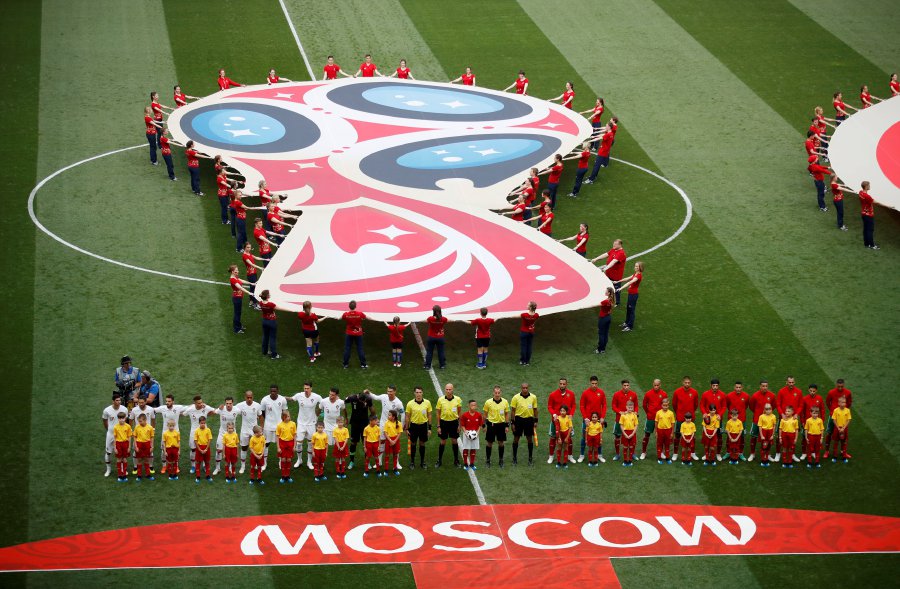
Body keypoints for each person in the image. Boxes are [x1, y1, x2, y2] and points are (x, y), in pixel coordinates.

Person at [370, 386, 405, 469]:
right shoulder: (384, 397)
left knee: (394, 443)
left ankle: (397, 463)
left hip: (393, 426)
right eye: (388, 391)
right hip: (383, 424)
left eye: (391, 391)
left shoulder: (398, 403)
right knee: (381, 442)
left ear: (395, 392)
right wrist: (369, 393)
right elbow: (375, 397)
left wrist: (402, 426)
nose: (389, 393)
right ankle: (379, 461)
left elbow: (403, 414)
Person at [290, 382, 323, 469]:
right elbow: (291, 399)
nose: (306, 390)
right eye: (305, 388)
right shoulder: (299, 395)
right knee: (299, 443)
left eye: (308, 388)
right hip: (301, 423)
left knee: (310, 443)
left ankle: (309, 461)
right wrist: (281, 397)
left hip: (311, 424)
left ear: (311, 388)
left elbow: (323, 403)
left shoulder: (316, 397)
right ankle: (299, 460)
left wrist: (318, 413)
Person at [546, 378, 577, 464]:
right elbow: (549, 406)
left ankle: (570, 456)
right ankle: (551, 456)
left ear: (566, 384)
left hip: (567, 422)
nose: (562, 385)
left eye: (564, 384)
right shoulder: (553, 394)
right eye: (561, 383)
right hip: (555, 422)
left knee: (569, 439)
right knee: (553, 438)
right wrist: (554, 414)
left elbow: (574, 405)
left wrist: (571, 414)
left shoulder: (571, 394)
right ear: (558, 384)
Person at [578, 377, 607, 463]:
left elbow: (604, 405)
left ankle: (599, 455)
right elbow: (582, 406)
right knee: (584, 437)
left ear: (598, 383)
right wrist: (585, 418)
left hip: (598, 420)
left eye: (596, 384)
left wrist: (602, 417)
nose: (594, 385)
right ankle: (582, 455)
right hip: (587, 420)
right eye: (592, 383)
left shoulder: (601, 393)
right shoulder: (585, 393)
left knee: (598, 438)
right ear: (590, 383)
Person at [259, 385, 288, 470]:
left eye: (274, 391)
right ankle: (264, 463)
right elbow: (262, 413)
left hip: (279, 426)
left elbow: (284, 412)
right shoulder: (264, 400)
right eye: (271, 391)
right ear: (269, 391)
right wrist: (263, 425)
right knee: (266, 444)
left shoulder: (282, 399)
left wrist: (284, 424)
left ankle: (280, 461)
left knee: (281, 445)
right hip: (268, 426)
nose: (273, 393)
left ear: (278, 391)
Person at [344, 389, 375, 469]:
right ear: (359, 399)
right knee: (353, 442)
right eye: (363, 402)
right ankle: (351, 462)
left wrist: (372, 418)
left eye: (365, 402)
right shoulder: (352, 398)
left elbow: (372, 411)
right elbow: (342, 402)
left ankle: (367, 462)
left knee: (366, 443)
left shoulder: (368, 399)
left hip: (364, 424)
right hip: (355, 424)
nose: (364, 403)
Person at [775, 376, 803, 462]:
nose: (791, 384)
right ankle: (778, 453)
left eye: (792, 382)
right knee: (779, 436)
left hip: (793, 420)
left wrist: (797, 414)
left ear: (794, 382)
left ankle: (792, 454)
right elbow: (778, 404)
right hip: (783, 418)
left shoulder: (799, 392)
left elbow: (801, 405)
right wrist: (782, 414)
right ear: (786, 382)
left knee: (793, 437)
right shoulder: (781, 391)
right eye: (789, 382)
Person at [591, 239, 627, 305]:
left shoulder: (621, 253)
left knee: (616, 289)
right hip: (609, 274)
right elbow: (606, 254)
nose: (614, 245)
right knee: (608, 287)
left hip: (616, 276)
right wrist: (596, 259)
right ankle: (609, 298)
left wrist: (605, 268)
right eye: (613, 243)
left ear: (620, 245)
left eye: (615, 244)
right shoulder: (614, 249)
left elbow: (613, 262)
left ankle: (617, 302)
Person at [435, 383, 463, 467]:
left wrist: (459, 425)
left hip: (454, 422)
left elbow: (459, 412)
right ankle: (439, 460)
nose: (448, 391)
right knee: (443, 441)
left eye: (450, 389)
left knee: (454, 441)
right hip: (444, 423)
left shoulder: (458, 399)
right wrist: (438, 426)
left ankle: (456, 460)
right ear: (445, 390)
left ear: (452, 389)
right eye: (447, 389)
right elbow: (438, 414)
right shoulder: (440, 400)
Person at [510, 383, 538, 466]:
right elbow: (513, 411)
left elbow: (535, 409)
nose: (525, 389)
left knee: (529, 439)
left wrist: (536, 420)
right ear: (521, 388)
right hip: (518, 420)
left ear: (528, 388)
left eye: (526, 388)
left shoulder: (533, 397)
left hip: (529, 420)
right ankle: (514, 458)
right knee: (516, 439)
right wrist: (512, 423)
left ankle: (530, 458)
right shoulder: (515, 397)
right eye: (523, 388)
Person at [403, 386, 432, 469]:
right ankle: (412, 462)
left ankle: (422, 462)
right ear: (414, 393)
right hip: (414, 426)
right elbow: (407, 417)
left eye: (420, 392)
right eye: (417, 392)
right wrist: (407, 429)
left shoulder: (427, 403)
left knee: (422, 443)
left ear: (422, 393)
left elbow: (429, 415)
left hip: (423, 426)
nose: (418, 394)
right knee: (413, 443)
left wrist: (429, 428)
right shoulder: (410, 404)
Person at [672, 376, 699, 459]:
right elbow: (674, 404)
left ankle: (692, 453)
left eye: (688, 383)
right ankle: (675, 453)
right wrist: (679, 412)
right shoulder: (677, 392)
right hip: (680, 418)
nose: (687, 384)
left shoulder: (694, 392)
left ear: (690, 383)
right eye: (685, 382)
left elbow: (696, 405)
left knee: (692, 435)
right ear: (682, 382)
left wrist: (690, 413)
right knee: (677, 435)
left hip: (691, 418)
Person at [482, 386, 510, 468]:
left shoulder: (505, 402)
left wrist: (507, 425)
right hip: (491, 425)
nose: (497, 394)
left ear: (501, 393)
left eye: (499, 393)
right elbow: (485, 414)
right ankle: (488, 460)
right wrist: (484, 425)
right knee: (489, 443)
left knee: (501, 443)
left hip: (501, 425)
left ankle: (501, 460)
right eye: (495, 393)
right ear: (493, 393)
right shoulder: (488, 402)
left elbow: (507, 414)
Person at [234, 390, 261, 475]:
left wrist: (261, 428)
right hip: (244, 430)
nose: (249, 399)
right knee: (244, 448)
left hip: (255, 430)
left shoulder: (257, 405)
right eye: (247, 397)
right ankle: (243, 466)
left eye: (251, 397)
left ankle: (256, 464)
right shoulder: (240, 405)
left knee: (256, 447)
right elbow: (231, 410)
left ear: (253, 397)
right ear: (245, 397)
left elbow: (261, 416)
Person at [700, 379, 728, 460]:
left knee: (719, 436)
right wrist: (704, 413)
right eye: (713, 385)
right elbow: (702, 405)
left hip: (718, 420)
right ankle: (706, 454)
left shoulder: (722, 394)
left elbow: (724, 406)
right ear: (711, 385)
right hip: (707, 420)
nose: (715, 387)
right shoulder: (705, 394)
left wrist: (720, 414)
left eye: (716, 386)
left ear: (718, 386)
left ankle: (718, 453)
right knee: (706, 437)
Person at [825, 379, 853, 459]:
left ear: (844, 385)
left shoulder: (848, 392)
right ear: (836, 385)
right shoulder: (831, 392)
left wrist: (844, 412)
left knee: (843, 434)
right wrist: (832, 410)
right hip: (833, 416)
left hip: (843, 417)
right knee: (829, 433)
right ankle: (827, 451)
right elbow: (827, 402)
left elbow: (849, 402)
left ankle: (843, 452)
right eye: (838, 386)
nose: (840, 388)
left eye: (842, 386)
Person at [640, 379, 667, 460]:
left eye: (657, 385)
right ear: (653, 384)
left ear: (660, 385)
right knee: (646, 434)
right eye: (655, 385)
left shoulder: (664, 394)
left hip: (661, 419)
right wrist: (648, 413)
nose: (656, 387)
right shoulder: (648, 393)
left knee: (661, 436)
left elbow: (665, 405)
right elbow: (644, 404)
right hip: (651, 418)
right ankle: (643, 452)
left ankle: (661, 452)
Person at [611, 381, 639, 461]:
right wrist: (620, 412)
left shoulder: (633, 394)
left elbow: (636, 405)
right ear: (622, 386)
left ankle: (632, 453)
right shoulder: (617, 394)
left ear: (629, 386)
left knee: (632, 437)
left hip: (631, 421)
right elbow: (613, 406)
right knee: (617, 436)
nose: (626, 387)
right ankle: (617, 454)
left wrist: (636, 412)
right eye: (624, 385)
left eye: (627, 385)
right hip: (619, 420)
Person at [585, 118, 618, 184]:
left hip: (602, 152)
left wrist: (589, 141)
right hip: (604, 151)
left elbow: (601, 137)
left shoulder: (608, 134)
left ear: (609, 127)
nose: (605, 126)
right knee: (597, 165)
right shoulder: (610, 133)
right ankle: (594, 176)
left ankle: (591, 179)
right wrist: (594, 136)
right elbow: (602, 135)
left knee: (596, 165)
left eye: (606, 126)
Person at [213, 396, 239, 476]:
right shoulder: (221, 409)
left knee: (231, 451)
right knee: (218, 450)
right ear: (225, 403)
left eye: (230, 403)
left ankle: (230, 467)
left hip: (232, 434)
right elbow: (214, 412)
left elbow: (245, 412)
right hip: (222, 433)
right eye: (227, 403)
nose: (228, 405)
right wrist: (218, 408)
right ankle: (217, 468)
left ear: (232, 403)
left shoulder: (237, 410)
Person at [799, 384, 826, 461]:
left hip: (816, 423)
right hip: (807, 423)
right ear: (808, 390)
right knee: (805, 438)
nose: (812, 392)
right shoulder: (805, 399)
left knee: (815, 438)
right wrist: (802, 421)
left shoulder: (819, 398)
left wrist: (822, 420)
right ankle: (804, 453)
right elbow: (802, 412)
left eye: (814, 391)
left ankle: (813, 452)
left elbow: (822, 410)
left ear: (816, 391)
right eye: (811, 391)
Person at [129, 396, 155, 474]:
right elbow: (130, 420)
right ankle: (135, 467)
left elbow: (153, 419)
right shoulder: (134, 410)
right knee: (136, 451)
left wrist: (153, 429)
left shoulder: (150, 409)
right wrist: (130, 430)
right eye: (139, 402)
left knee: (150, 451)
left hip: (147, 433)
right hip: (138, 434)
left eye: (142, 402)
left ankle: (150, 466)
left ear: (145, 402)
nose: (140, 404)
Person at [102, 394, 127, 477]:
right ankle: (108, 469)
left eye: (119, 400)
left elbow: (125, 421)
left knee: (122, 454)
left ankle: (123, 470)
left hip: (121, 436)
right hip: (111, 434)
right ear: (113, 401)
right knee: (108, 452)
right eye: (117, 400)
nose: (119, 402)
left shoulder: (124, 409)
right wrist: (109, 430)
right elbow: (105, 421)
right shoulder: (107, 410)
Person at [726, 381, 750, 460]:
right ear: (734, 387)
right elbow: (728, 406)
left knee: (742, 437)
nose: (738, 389)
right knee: (728, 437)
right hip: (731, 420)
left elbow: (746, 406)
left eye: (740, 387)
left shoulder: (746, 396)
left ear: (742, 388)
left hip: (742, 420)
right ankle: (728, 452)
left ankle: (740, 453)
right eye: (737, 387)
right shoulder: (729, 396)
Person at [617, 262, 644, 332]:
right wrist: (618, 281)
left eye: (637, 267)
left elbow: (629, 282)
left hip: (633, 295)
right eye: (635, 266)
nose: (635, 267)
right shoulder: (635, 274)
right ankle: (626, 322)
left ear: (640, 268)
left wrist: (620, 288)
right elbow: (627, 279)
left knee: (631, 310)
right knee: (628, 309)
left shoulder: (638, 276)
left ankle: (630, 326)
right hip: (631, 294)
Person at [342, 300, 368, 369]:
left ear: (349, 306)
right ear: (355, 306)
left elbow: (340, 317)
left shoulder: (346, 314)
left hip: (349, 333)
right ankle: (363, 365)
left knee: (347, 349)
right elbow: (367, 317)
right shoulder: (360, 314)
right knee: (360, 349)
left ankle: (345, 364)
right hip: (358, 333)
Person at [229, 264, 254, 334]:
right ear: (232, 272)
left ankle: (239, 326)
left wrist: (251, 283)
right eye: (236, 271)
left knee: (238, 313)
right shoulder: (232, 279)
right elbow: (240, 287)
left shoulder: (235, 277)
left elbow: (241, 280)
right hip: (237, 298)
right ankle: (236, 329)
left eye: (237, 270)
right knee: (237, 314)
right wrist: (249, 293)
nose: (238, 271)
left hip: (238, 297)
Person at [257, 290, 280, 359]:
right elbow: (280, 308)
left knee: (265, 336)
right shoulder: (271, 304)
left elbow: (260, 296)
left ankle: (264, 351)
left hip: (264, 321)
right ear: (267, 296)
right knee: (272, 338)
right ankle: (274, 355)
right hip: (272, 322)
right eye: (269, 294)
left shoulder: (261, 303)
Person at [424, 305, 448, 370]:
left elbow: (425, 320)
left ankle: (427, 365)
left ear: (433, 311)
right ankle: (442, 365)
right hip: (440, 338)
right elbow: (448, 320)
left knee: (429, 351)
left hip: (431, 337)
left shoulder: (430, 319)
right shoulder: (443, 319)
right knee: (441, 351)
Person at [275, 410, 296, 483]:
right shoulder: (279, 425)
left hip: (290, 443)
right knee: (283, 459)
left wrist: (294, 446)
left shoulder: (293, 424)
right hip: (282, 443)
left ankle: (288, 475)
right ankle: (283, 476)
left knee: (289, 460)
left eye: (289, 416)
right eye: (287, 416)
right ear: (283, 417)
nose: (289, 417)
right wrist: (278, 447)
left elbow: (294, 435)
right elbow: (277, 437)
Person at [133, 413, 155, 481]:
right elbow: (134, 437)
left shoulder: (150, 427)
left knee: (146, 459)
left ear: (145, 420)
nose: (139, 422)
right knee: (139, 460)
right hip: (139, 444)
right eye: (139, 421)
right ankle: (139, 475)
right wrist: (135, 446)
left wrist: (152, 446)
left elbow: (152, 437)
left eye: (141, 421)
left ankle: (148, 474)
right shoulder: (137, 427)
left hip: (147, 444)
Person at [858, 181, 879, 249]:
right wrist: (888, 206)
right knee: (870, 230)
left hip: (864, 214)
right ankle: (872, 245)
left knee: (865, 229)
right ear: (866, 187)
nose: (869, 186)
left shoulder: (860, 193)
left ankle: (866, 244)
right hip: (869, 215)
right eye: (869, 185)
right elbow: (876, 202)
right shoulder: (867, 196)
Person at [113, 412, 133, 482]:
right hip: (118, 444)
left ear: (125, 418)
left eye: (123, 418)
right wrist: (115, 447)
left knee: (124, 459)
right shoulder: (115, 427)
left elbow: (129, 437)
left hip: (125, 444)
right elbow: (115, 438)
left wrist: (129, 447)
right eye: (120, 418)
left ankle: (124, 474)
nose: (121, 420)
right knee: (119, 459)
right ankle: (119, 475)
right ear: (118, 419)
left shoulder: (128, 426)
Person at [830, 396, 851, 462]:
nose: (844, 404)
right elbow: (834, 419)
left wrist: (844, 428)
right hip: (837, 429)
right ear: (839, 403)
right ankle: (835, 456)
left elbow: (848, 420)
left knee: (844, 443)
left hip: (844, 429)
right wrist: (838, 428)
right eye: (842, 402)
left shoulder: (847, 410)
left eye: (845, 402)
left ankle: (844, 456)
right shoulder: (836, 410)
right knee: (836, 442)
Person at [595, 286, 615, 354]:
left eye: (606, 291)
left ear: (609, 293)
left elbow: (596, 304)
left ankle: (599, 349)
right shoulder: (611, 300)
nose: (605, 292)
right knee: (606, 333)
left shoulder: (605, 301)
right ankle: (603, 349)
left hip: (603, 318)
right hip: (608, 318)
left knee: (601, 334)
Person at [655, 398, 675, 464]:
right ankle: (659, 458)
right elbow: (656, 423)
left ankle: (667, 458)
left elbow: (672, 423)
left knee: (667, 444)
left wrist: (672, 432)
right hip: (660, 430)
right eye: (664, 405)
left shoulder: (671, 413)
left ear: (668, 406)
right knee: (659, 444)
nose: (665, 407)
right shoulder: (658, 413)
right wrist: (656, 432)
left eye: (666, 405)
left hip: (668, 431)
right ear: (661, 405)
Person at [194, 416, 214, 483]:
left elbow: (209, 439)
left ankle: (208, 475)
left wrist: (206, 449)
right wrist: (199, 449)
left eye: (204, 423)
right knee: (198, 462)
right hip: (199, 448)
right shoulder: (196, 431)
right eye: (201, 423)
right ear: (199, 423)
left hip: (206, 448)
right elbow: (196, 441)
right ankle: (198, 476)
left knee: (207, 462)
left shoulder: (208, 430)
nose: (203, 424)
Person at [383, 410, 402, 476]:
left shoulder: (399, 423)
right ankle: (386, 469)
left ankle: (395, 469)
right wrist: (391, 441)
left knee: (395, 455)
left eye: (389, 415)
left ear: (393, 417)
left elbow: (400, 433)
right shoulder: (386, 423)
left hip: (396, 441)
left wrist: (395, 441)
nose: (388, 416)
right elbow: (385, 433)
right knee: (387, 455)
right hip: (389, 440)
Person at [619, 401, 638, 467]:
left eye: (631, 407)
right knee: (625, 447)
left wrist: (633, 433)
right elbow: (621, 425)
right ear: (626, 407)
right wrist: (624, 433)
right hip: (625, 432)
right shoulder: (623, 415)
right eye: (629, 407)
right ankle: (625, 460)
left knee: (631, 447)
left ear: (633, 408)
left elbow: (636, 425)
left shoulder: (634, 415)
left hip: (632, 432)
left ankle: (630, 460)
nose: (630, 409)